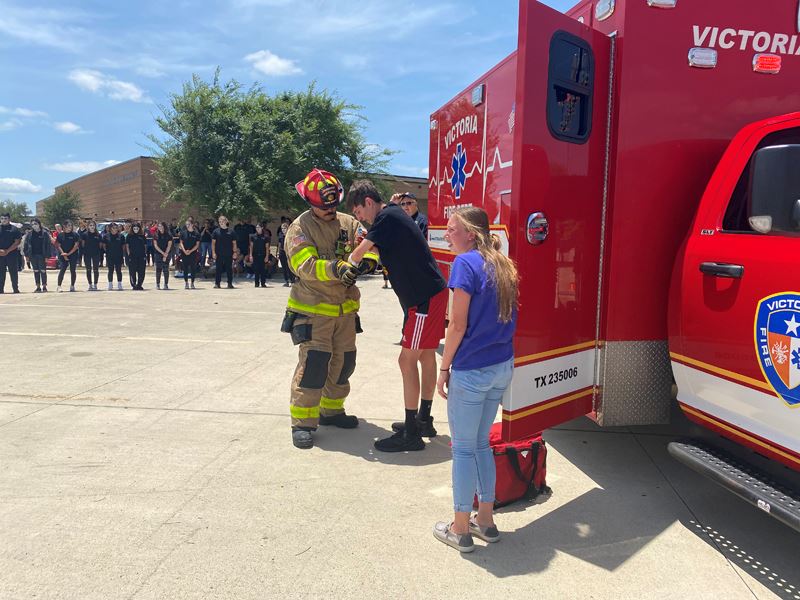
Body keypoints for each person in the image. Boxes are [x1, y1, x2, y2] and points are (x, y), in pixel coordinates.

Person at [432, 207, 518, 553]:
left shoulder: (464, 265)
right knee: (481, 443)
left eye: (452, 229)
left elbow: (456, 325)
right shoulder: (502, 263)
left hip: (473, 369)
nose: (446, 234)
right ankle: (486, 520)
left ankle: (460, 528)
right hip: (501, 365)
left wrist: (443, 368)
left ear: (470, 233)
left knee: (465, 449)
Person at [348, 180, 448, 452]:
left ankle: (412, 435)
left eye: (358, 213)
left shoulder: (386, 215)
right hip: (429, 294)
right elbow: (391, 253)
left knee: (406, 361)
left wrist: (347, 269)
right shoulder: (392, 218)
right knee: (426, 355)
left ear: (368, 202)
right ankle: (423, 420)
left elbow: (357, 255)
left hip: (422, 299)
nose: (360, 219)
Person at [283, 168, 376, 449]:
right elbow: (305, 266)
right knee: (314, 364)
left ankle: (331, 411)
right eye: (324, 207)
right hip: (313, 309)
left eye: (334, 205)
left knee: (344, 363)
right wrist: (338, 268)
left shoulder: (348, 222)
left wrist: (369, 261)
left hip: (345, 311)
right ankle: (302, 422)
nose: (330, 210)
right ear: (310, 203)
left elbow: (367, 245)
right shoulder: (299, 229)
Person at [24, 218, 52, 293]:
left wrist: (47, 256)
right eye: (32, 224)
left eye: (35, 224)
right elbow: (26, 245)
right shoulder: (29, 234)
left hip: (42, 255)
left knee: (43, 270)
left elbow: (48, 245)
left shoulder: (44, 233)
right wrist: (26, 256)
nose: (34, 225)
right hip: (33, 255)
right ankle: (38, 286)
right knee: (36, 271)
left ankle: (44, 286)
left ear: (39, 224)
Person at [212, 215, 238, 289]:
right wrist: (213, 253)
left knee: (229, 269)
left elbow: (234, 243)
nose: (221, 223)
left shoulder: (231, 232)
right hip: (219, 254)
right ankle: (217, 284)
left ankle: (229, 283)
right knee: (218, 269)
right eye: (220, 222)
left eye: (222, 221)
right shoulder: (216, 231)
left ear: (226, 221)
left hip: (229, 253)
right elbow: (213, 243)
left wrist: (235, 252)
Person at [55, 220, 81, 292]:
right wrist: (63, 254)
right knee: (62, 269)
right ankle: (59, 286)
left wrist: (68, 254)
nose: (70, 227)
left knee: (73, 270)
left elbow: (76, 246)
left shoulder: (75, 235)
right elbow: (58, 245)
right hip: (63, 255)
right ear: (64, 226)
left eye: (71, 225)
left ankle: (72, 286)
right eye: (68, 225)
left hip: (73, 254)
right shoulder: (60, 235)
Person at [0, 213, 22, 293]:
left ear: (9, 219)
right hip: (0, 254)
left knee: (13, 272)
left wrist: (7, 251)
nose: (3, 220)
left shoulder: (14, 229)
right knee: (1, 272)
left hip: (12, 254)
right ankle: (0, 289)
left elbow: (17, 242)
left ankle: (15, 288)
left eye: (5, 218)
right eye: (2, 218)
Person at [81, 220, 103, 291]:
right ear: (88, 226)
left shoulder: (98, 235)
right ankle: (90, 284)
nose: (92, 227)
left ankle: (95, 284)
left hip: (96, 254)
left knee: (96, 269)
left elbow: (100, 245)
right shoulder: (84, 234)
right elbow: (83, 244)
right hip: (87, 254)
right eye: (90, 225)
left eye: (93, 225)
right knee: (88, 269)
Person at [125, 222, 147, 290]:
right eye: (134, 228)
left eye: (137, 228)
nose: (136, 229)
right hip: (132, 256)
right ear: (132, 229)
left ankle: (139, 284)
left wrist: (144, 254)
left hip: (141, 256)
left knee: (141, 271)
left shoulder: (142, 236)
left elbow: (145, 246)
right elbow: (127, 246)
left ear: (139, 228)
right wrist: (129, 254)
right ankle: (134, 285)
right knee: (132, 271)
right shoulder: (129, 236)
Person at [180, 217, 200, 289]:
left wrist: (190, 251)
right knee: (185, 268)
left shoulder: (196, 233)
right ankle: (186, 283)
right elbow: (181, 243)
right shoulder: (183, 233)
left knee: (193, 268)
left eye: (188, 224)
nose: (187, 226)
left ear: (192, 224)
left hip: (193, 253)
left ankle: (192, 283)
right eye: (186, 224)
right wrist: (184, 251)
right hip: (184, 253)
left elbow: (197, 244)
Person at [103, 222, 125, 290]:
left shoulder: (121, 236)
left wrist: (121, 253)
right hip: (110, 256)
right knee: (110, 270)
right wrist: (107, 252)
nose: (115, 229)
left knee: (118, 270)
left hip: (118, 256)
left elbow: (123, 246)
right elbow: (104, 246)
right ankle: (110, 284)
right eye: (113, 228)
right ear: (110, 228)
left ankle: (119, 284)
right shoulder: (106, 236)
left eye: (116, 228)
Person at [249, 222, 270, 288]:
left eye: (259, 227)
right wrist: (250, 255)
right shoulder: (253, 236)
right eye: (256, 227)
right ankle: (256, 283)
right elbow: (251, 246)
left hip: (263, 255)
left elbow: (267, 247)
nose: (257, 229)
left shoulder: (266, 237)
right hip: (255, 255)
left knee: (263, 270)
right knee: (256, 269)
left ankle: (263, 283)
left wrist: (267, 256)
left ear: (262, 228)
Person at [153, 222, 173, 290]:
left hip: (167, 253)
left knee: (165, 269)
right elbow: (155, 245)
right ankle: (158, 284)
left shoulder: (169, 235)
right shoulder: (156, 235)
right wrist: (162, 253)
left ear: (164, 227)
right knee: (158, 269)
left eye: (161, 226)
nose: (160, 228)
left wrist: (165, 254)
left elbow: (169, 245)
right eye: (159, 226)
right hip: (158, 253)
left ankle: (166, 284)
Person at [277, 219, 295, 287]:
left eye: (284, 228)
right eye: (282, 228)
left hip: (289, 252)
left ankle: (292, 280)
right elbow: (279, 244)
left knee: (289, 267)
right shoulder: (280, 235)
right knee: (284, 267)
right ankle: (286, 281)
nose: (283, 230)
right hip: (282, 251)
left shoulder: (290, 235)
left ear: (287, 228)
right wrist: (278, 253)